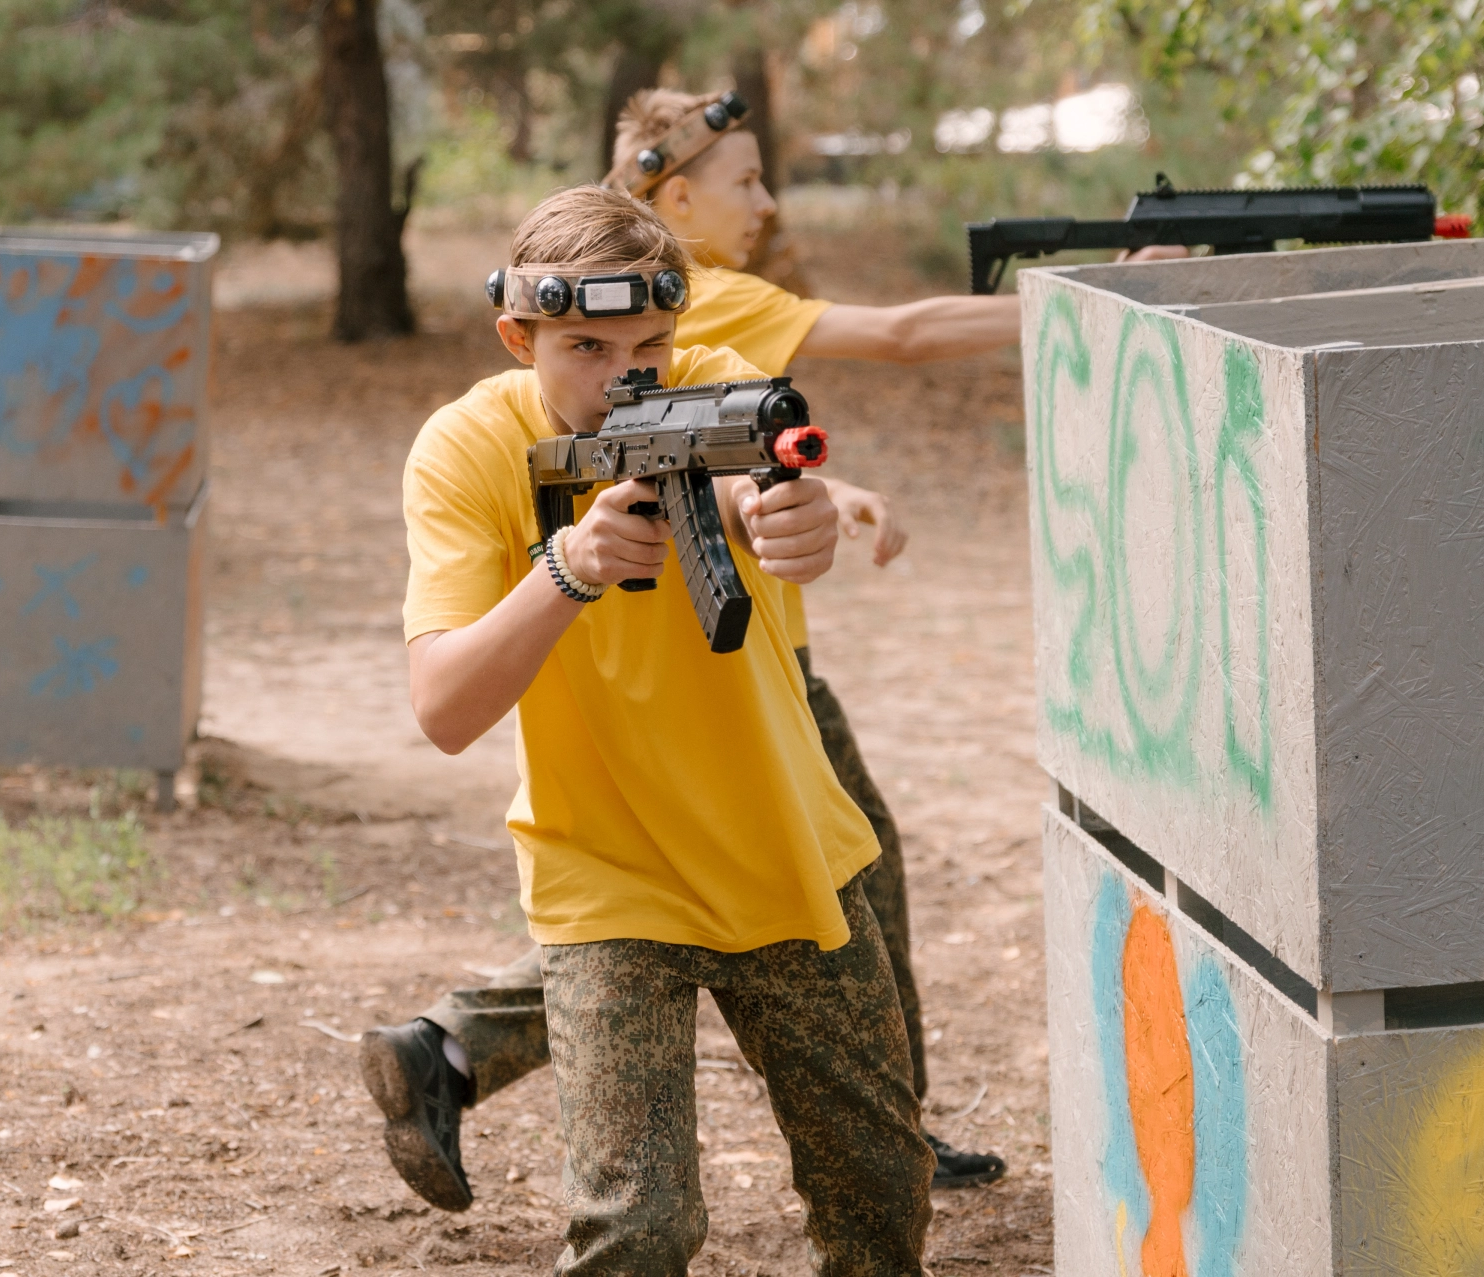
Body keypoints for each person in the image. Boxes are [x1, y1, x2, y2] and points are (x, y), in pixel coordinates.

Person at [363, 88, 1019, 1211]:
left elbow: (749, 464)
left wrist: (798, 510)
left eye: (649, 347)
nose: (629, 376)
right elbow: (444, 710)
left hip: (785, 850)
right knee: (641, 1218)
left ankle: (453, 1044)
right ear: (517, 337)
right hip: (603, 874)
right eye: (586, 348)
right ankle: (454, 1043)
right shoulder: (468, 449)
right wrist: (570, 567)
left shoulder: (710, 376)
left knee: (880, 1195)